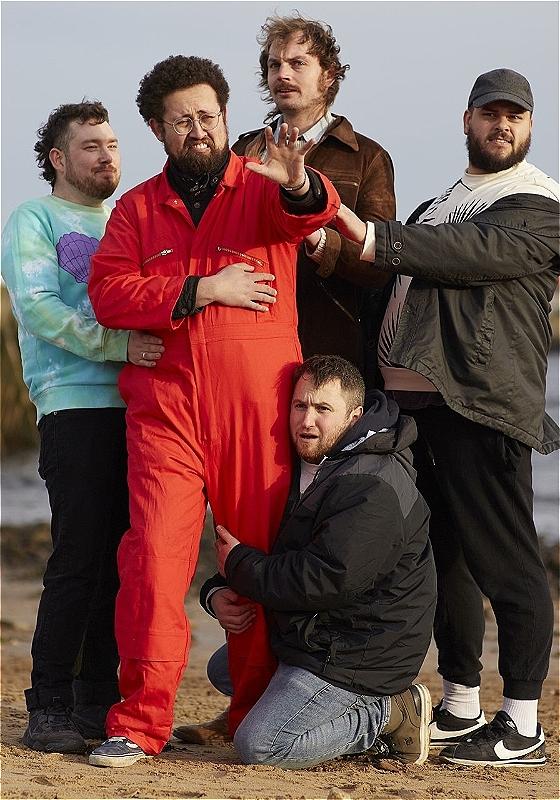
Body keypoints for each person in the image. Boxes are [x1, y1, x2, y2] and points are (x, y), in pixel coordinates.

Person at [86, 55, 340, 767]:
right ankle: (137, 724)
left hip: (256, 414)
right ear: (157, 129)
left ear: (226, 116)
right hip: (165, 415)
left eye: (208, 115)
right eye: (180, 120)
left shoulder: (261, 188)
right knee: (154, 567)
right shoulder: (137, 208)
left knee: (255, 568)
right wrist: (203, 288)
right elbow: (108, 295)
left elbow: (312, 209)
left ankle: (253, 713)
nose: (197, 129)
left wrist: (295, 178)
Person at [335, 69, 559, 767]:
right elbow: (401, 280)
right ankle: (461, 704)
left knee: (509, 564)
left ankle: (521, 724)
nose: (502, 126)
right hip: (416, 409)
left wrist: (371, 234)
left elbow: (469, 258)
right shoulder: (442, 203)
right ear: (466, 121)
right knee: (444, 563)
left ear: (527, 127)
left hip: (482, 406)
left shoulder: (539, 203)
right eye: (490, 114)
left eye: (514, 116)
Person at [1, 102, 164, 754]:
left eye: (114, 144)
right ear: (58, 160)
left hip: (141, 407)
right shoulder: (33, 219)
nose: (107, 156)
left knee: (122, 561)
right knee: (79, 556)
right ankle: (48, 704)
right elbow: (39, 309)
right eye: (91, 145)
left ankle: (98, 703)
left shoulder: (128, 220)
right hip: (73, 404)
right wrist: (117, 347)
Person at [179, 355, 435, 769]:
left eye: (323, 409)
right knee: (226, 669)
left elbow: (326, 578)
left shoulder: (372, 485)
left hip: (360, 651)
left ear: (354, 415)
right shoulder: (312, 464)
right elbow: (278, 549)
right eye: (301, 406)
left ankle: (388, 712)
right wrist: (217, 592)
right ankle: (295, 707)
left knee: (259, 746)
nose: (308, 421)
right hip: (316, 633)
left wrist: (241, 565)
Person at [232, 14, 396, 383]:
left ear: (329, 75)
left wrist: (315, 236)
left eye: (297, 63)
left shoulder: (367, 157)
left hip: (330, 353)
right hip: (249, 346)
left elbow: (381, 265)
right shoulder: (242, 152)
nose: (282, 74)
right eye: (274, 64)